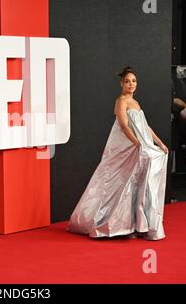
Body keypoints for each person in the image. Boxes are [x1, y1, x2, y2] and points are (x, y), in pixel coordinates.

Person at [67, 67, 169, 241]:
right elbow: (123, 125)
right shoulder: (121, 101)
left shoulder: (136, 103)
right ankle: (112, 223)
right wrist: (138, 143)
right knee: (119, 182)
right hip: (126, 147)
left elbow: (145, 127)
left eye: (134, 81)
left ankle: (138, 224)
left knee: (137, 182)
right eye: (128, 81)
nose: (131, 84)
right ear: (121, 83)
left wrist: (159, 142)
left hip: (139, 147)